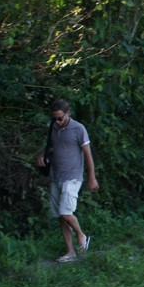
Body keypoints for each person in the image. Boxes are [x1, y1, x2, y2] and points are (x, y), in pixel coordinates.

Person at [37, 99, 99, 263]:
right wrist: (43, 155)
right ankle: (70, 251)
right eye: (54, 118)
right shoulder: (53, 128)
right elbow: (52, 147)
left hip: (73, 177)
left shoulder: (78, 129)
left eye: (60, 118)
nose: (57, 121)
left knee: (66, 213)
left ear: (68, 113)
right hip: (56, 176)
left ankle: (81, 234)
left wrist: (92, 177)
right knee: (60, 216)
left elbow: (88, 154)